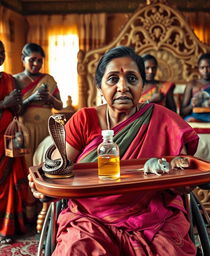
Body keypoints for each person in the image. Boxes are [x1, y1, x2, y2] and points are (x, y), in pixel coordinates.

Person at [28, 46, 199, 255]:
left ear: (142, 85)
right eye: (112, 79)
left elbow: (182, 167)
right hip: (89, 218)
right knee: (76, 248)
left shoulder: (163, 119)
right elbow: (55, 170)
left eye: (132, 79)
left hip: (152, 214)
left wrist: (182, 183)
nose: (123, 87)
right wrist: (43, 186)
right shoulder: (84, 119)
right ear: (99, 86)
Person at [13, 43, 63, 222]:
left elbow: (60, 105)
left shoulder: (48, 79)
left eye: (39, 60)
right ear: (23, 59)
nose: (36, 64)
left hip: (45, 131)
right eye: (32, 60)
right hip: (25, 132)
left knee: (44, 168)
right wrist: (31, 99)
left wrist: (50, 98)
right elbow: (13, 109)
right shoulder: (14, 80)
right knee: (26, 171)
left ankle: (46, 212)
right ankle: (27, 215)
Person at [0, 40, 28, 244]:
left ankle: (8, 229)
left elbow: (17, 110)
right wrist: (4, 103)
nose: (0, 55)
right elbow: (6, 104)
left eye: (2, 52)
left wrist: (16, 104)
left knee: (10, 182)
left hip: (9, 139)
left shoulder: (9, 78)